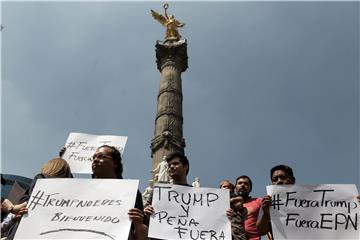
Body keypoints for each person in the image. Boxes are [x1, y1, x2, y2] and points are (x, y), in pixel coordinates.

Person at [5, 157, 73, 240]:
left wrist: (12, 208)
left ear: (50, 167)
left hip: (26, 231)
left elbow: (34, 201)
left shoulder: (42, 178)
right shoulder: (69, 192)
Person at [91, 145, 147, 240]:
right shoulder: (85, 191)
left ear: (115, 162)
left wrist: (138, 223)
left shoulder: (130, 191)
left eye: (101, 157)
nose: (95, 160)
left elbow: (139, 231)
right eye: (94, 157)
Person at [235, 175, 262, 240]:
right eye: (240, 183)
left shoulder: (259, 201)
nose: (242, 185)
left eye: (246, 184)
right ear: (235, 188)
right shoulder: (228, 204)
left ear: (250, 189)